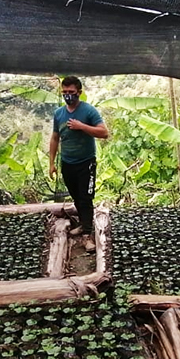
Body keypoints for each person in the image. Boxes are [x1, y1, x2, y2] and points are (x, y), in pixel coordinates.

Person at [48, 76, 108, 253]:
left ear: (79, 92)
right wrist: (51, 163)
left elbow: (104, 132)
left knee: (85, 198)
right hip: (67, 163)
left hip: (86, 163)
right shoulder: (59, 113)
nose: (68, 95)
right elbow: (55, 138)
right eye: (65, 92)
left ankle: (87, 236)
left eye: (71, 92)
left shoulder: (88, 111)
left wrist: (82, 126)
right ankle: (83, 224)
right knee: (76, 197)